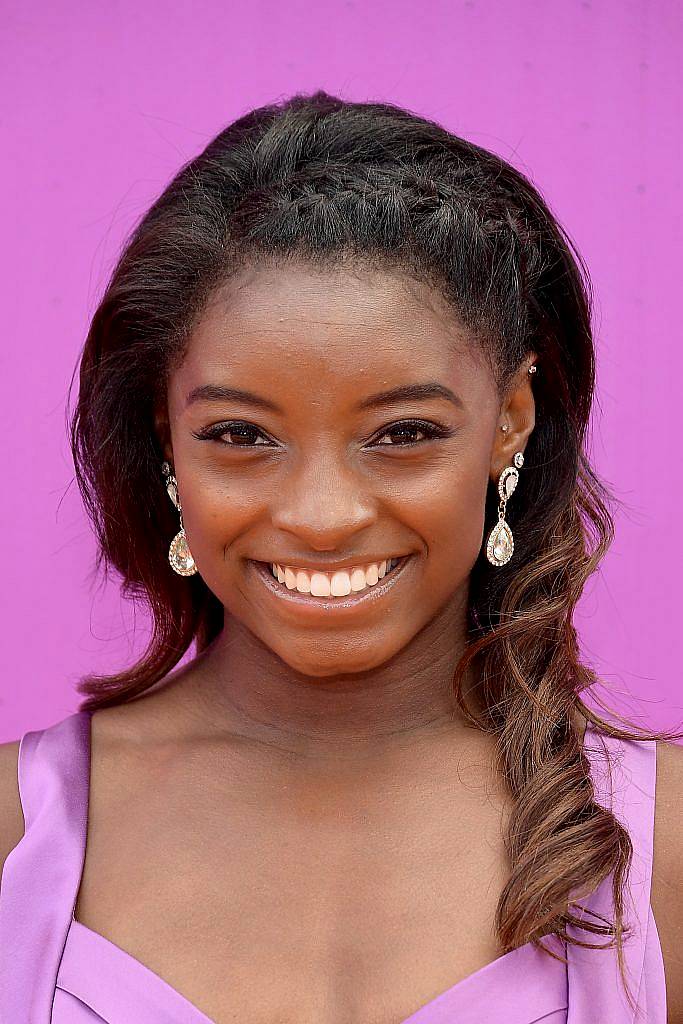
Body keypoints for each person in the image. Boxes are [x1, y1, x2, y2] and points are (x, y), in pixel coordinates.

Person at [0, 89, 681, 1024]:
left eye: (402, 432)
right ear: (166, 436)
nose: (322, 518)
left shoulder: (663, 850)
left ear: (509, 421)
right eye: (240, 434)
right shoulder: (15, 836)